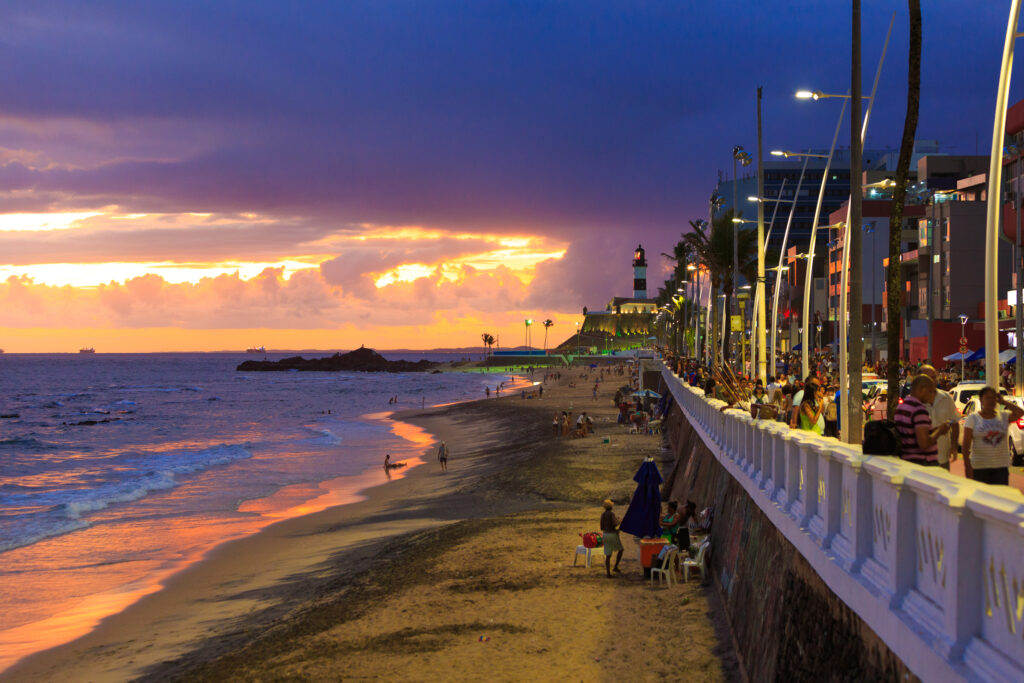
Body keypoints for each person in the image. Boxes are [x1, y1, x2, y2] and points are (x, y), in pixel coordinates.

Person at [962, 386, 1024, 485]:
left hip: (1000, 468)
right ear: (981, 400)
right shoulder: (973, 418)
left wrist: (1004, 402)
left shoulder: (1004, 416)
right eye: (987, 398)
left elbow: (1020, 413)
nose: (991, 400)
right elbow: (965, 446)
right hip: (979, 467)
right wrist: (967, 466)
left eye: (993, 397)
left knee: (998, 498)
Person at [893, 375, 950, 467]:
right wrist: (940, 431)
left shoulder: (901, 407)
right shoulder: (919, 410)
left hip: (906, 459)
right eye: (930, 391)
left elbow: (912, 432)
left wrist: (933, 430)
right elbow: (924, 443)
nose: (932, 395)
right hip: (923, 462)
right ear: (922, 389)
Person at [919, 365, 960, 470]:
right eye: (928, 377)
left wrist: (954, 445)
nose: (932, 380)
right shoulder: (913, 401)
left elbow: (955, 423)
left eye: (934, 377)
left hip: (942, 458)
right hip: (920, 460)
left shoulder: (946, 398)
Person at [600, 499, 624, 577]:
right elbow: (614, 524)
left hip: (605, 535)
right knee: (620, 550)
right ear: (611, 506)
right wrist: (619, 521)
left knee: (608, 555)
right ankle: (615, 567)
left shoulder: (603, 515)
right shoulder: (611, 514)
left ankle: (608, 573)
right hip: (612, 535)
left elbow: (602, 527)